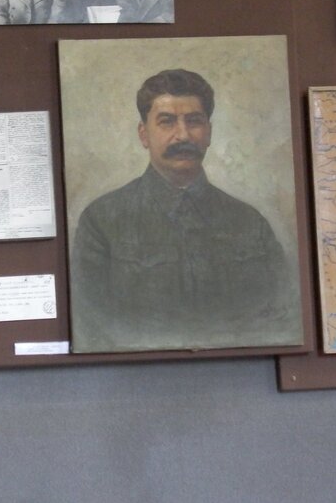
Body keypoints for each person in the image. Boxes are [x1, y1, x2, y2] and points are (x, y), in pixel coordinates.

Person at [70, 69, 293, 352]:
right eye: (167, 122)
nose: (183, 135)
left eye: (194, 121)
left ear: (209, 132)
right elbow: (92, 324)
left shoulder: (249, 222)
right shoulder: (101, 220)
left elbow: (280, 314)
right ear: (143, 134)